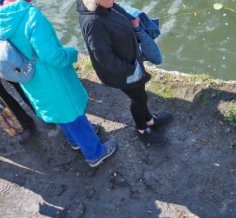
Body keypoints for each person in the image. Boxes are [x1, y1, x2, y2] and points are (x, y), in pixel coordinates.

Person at [0, 0, 118, 167]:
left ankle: (74, 140)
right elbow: (53, 56)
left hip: (29, 79)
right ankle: (95, 153)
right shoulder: (30, 16)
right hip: (51, 77)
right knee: (72, 113)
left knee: (58, 111)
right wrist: (71, 53)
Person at [77, 0, 172, 146]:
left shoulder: (105, 5)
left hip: (130, 61)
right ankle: (142, 130)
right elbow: (104, 58)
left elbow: (116, 9)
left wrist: (131, 18)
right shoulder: (94, 22)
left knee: (141, 95)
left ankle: (150, 121)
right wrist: (129, 69)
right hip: (123, 72)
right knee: (139, 99)